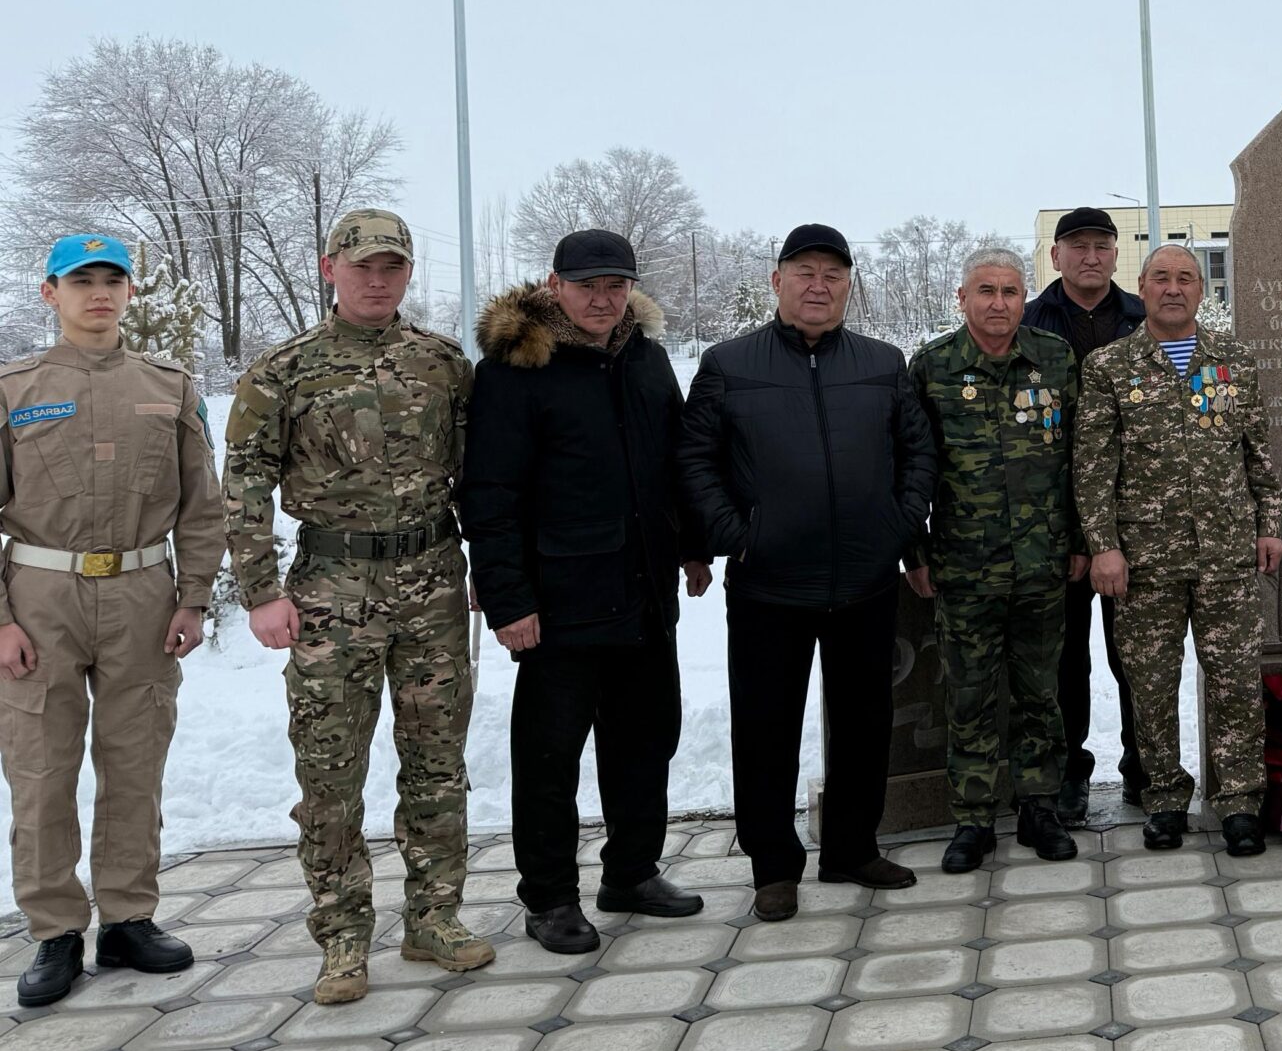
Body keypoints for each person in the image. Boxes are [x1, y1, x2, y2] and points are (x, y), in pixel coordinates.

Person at [224, 209, 492, 1003]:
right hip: (332, 588)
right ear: (328, 267)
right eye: (363, 265)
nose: (378, 280)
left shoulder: (443, 364)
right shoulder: (286, 370)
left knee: (437, 763)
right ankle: (342, 936)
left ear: (409, 273)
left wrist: (492, 568)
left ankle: (434, 917)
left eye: (393, 266)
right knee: (331, 769)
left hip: (433, 577)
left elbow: (479, 476)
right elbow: (243, 482)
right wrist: (261, 592)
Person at [460, 230, 713, 954]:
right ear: (553, 285)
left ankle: (630, 872)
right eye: (587, 285)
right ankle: (548, 897)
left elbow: (675, 459)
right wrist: (508, 600)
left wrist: (692, 544)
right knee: (550, 758)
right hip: (559, 602)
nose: (603, 299)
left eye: (616, 285)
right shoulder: (516, 371)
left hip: (642, 591)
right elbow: (491, 493)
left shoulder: (644, 358)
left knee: (646, 739)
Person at [678, 223, 934, 920]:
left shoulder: (883, 363)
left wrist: (897, 527)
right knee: (766, 728)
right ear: (777, 281)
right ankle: (772, 865)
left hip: (864, 579)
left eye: (833, 274)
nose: (819, 285)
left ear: (849, 285)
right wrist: (739, 534)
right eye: (805, 272)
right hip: (769, 584)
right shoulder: (730, 365)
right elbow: (695, 459)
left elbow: (917, 456)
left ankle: (852, 846)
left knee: (864, 720)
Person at [0, 234, 223, 1008]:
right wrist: (2, 619)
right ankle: (55, 930)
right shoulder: (13, 389)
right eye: (81, 280)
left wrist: (193, 598)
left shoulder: (167, 384)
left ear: (131, 292)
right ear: (49, 293)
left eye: (113, 279)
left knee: (135, 761)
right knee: (41, 769)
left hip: (140, 593)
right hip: (40, 596)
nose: (99, 292)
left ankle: (129, 917)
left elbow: (202, 504)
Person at [1073, 243, 1282, 857]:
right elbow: (1092, 469)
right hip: (1146, 561)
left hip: (1226, 556)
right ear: (1141, 287)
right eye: (1161, 278)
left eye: (1185, 278)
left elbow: (1260, 457)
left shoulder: (1234, 362)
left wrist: (1269, 525)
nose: (1173, 288)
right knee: (1151, 684)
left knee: (1235, 682)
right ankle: (1163, 798)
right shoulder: (1111, 367)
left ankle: (1240, 801)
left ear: (1201, 290)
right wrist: (1104, 547)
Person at [910, 244, 1082, 872]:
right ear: (963, 299)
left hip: (1043, 563)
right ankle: (974, 820)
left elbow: (1078, 461)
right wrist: (915, 552)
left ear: (1024, 298)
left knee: (1041, 692)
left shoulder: (1055, 360)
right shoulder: (931, 368)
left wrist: (1083, 543)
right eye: (986, 291)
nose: (999, 303)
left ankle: (1039, 807)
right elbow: (912, 468)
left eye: (1011, 291)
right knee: (971, 695)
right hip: (964, 565)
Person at [1021, 206, 1149, 822]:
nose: (1090, 256)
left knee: (1136, 652)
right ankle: (1070, 770)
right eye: (1078, 246)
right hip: (1054, 522)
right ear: (1056, 257)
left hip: (1138, 517)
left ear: (1115, 255)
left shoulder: (1143, 319)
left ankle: (1143, 765)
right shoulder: (1027, 324)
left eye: (1102, 245)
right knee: (1064, 657)